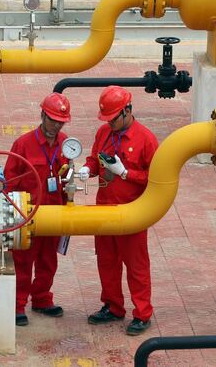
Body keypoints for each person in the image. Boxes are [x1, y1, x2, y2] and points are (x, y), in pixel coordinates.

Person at [77, 86, 158, 336]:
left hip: (131, 213)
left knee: (136, 266)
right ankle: (113, 306)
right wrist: (86, 170)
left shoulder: (146, 139)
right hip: (104, 210)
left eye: (113, 118)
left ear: (127, 111)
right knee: (107, 262)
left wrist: (126, 173)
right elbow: (94, 159)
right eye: (107, 119)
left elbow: (156, 179)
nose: (110, 123)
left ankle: (142, 313)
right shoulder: (104, 132)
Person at [4, 93, 72, 327]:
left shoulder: (65, 143)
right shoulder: (23, 144)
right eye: (52, 119)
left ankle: (42, 299)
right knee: (23, 262)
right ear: (42, 115)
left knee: (48, 260)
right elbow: (10, 181)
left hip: (54, 214)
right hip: (28, 216)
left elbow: (68, 175)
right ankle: (16, 305)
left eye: (60, 121)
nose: (56, 125)